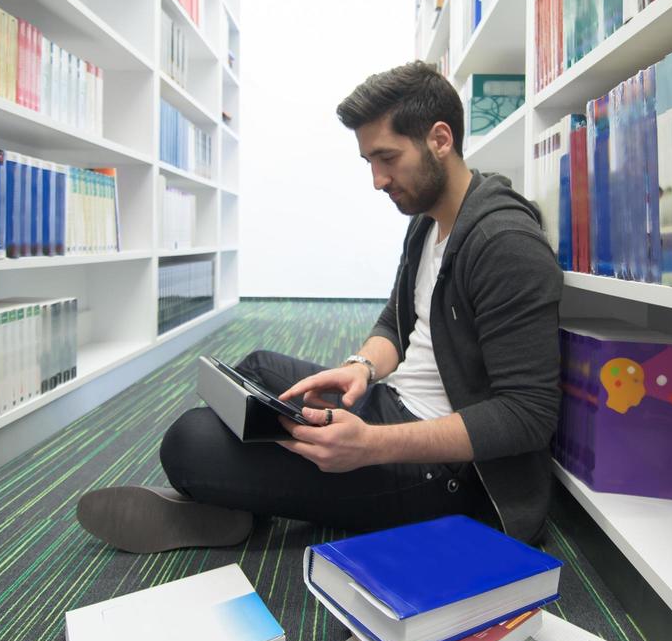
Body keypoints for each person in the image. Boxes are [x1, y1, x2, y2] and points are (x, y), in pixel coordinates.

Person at [74, 61, 564, 553]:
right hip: (393, 405)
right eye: (369, 161)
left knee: (191, 441)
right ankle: (243, 500)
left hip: (450, 476)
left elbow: (527, 415)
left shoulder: (506, 244)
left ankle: (231, 505)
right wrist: (361, 368)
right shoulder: (428, 220)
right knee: (256, 373)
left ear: (440, 139)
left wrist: (371, 447)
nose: (377, 180)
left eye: (387, 158)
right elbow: (395, 325)